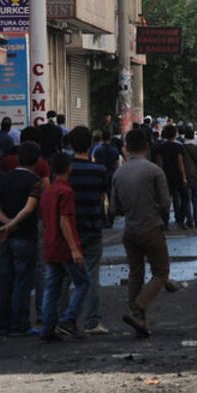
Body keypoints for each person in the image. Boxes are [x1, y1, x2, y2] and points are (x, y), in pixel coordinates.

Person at [112, 129, 171, 338]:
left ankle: (138, 319)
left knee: (135, 273)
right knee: (162, 271)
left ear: (126, 148)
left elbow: (115, 209)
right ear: (147, 146)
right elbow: (165, 203)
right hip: (151, 227)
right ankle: (138, 308)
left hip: (130, 230)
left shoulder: (118, 173)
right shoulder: (154, 171)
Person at [36, 153, 89, 341]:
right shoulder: (65, 192)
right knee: (83, 282)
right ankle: (69, 319)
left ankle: (47, 328)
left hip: (50, 245)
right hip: (64, 246)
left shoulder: (47, 192)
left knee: (52, 287)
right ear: (69, 168)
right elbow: (65, 222)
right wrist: (75, 249)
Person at [0, 142, 43, 336]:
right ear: (37, 160)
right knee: (22, 281)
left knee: (5, 281)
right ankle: (20, 325)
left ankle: (2, 324)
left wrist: (5, 223)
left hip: (4, 238)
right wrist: (13, 224)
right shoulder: (35, 182)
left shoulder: (4, 179)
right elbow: (29, 209)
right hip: (24, 236)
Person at [67, 127, 109, 335]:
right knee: (92, 275)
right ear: (90, 145)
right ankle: (92, 321)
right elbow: (103, 196)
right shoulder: (99, 170)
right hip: (93, 227)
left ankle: (63, 319)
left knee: (64, 276)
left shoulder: (64, 172)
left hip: (68, 231)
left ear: (70, 145)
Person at [155, 125, 190, 229]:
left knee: (166, 200)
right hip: (177, 175)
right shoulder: (178, 147)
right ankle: (180, 219)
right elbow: (180, 163)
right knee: (185, 197)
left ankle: (165, 222)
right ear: (175, 135)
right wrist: (184, 177)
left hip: (165, 175)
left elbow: (158, 162)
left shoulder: (161, 147)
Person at [182, 129, 197, 228]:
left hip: (185, 175)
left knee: (186, 198)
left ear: (185, 137)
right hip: (196, 175)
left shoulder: (181, 148)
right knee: (195, 198)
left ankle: (189, 220)